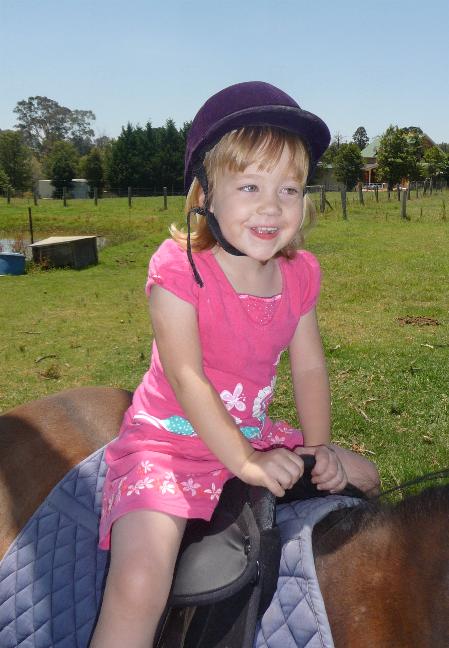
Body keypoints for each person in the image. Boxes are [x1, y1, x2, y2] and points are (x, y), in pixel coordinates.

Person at [91, 81, 379, 648]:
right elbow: (186, 376)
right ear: (206, 194)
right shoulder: (178, 270)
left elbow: (309, 367)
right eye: (250, 186)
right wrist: (246, 462)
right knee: (140, 579)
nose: (272, 207)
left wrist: (319, 446)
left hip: (252, 431)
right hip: (170, 447)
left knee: (363, 477)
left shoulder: (298, 275)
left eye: (289, 188)